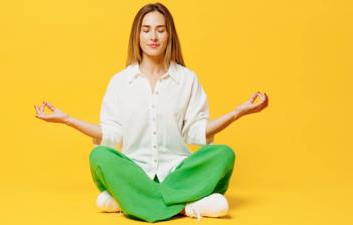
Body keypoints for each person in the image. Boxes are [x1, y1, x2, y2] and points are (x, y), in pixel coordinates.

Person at [34, 2, 268, 223]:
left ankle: (130, 201)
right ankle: (187, 206)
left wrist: (238, 112)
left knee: (224, 154)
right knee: (99, 156)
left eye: (160, 30)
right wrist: (66, 119)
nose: (153, 37)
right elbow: (110, 134)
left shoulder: (187, 79)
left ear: (169, 35)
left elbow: (195, 132)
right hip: (135, 172)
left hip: (178, 173)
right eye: (146, 30)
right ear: (137, 35)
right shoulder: (120, 82)